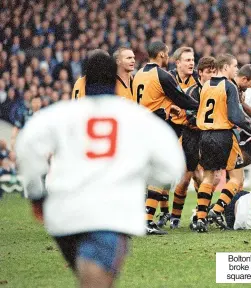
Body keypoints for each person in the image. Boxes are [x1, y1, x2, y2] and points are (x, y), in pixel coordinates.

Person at [15, 53, 185, 287]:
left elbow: (26, 145)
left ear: (83, 78)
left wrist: (36, 194)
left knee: (88, 277)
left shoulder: (59, 114)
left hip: (63, 214)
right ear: (116, 79)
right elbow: (171, 168)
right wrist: (135, 174)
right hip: (108, 213)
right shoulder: (136, 118)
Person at [195, 54, 251, 232]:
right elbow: (235, 117)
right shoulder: (229, 85)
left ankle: (201, 219)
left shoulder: (206, 85)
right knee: (237, 178)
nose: (236, 70)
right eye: (235, 66)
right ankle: (217, 210)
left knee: (208, 177)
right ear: (225, 68)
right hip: (223, 135)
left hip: (205, 135)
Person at [133, 41, 199, 234]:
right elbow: (182, 99)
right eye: (167, 54)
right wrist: (201, 106)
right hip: (157, 128)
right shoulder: (161, 75)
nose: (167, 57)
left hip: (143, 127)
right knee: (158, 175)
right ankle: (147, 220)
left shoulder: (139, 74)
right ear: (161, 54)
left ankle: (147, 219)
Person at [168, 56, 217, 229]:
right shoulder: (190, 92)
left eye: (214, 72)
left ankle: (199, 212)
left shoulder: (218, 91)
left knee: (213, 178)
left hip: (210, 137)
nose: (212, 75)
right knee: (188, 177)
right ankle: (175, 217)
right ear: (200, 73)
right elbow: (188, 116)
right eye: (208, 72)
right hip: (191, 137)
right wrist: (205, 122)